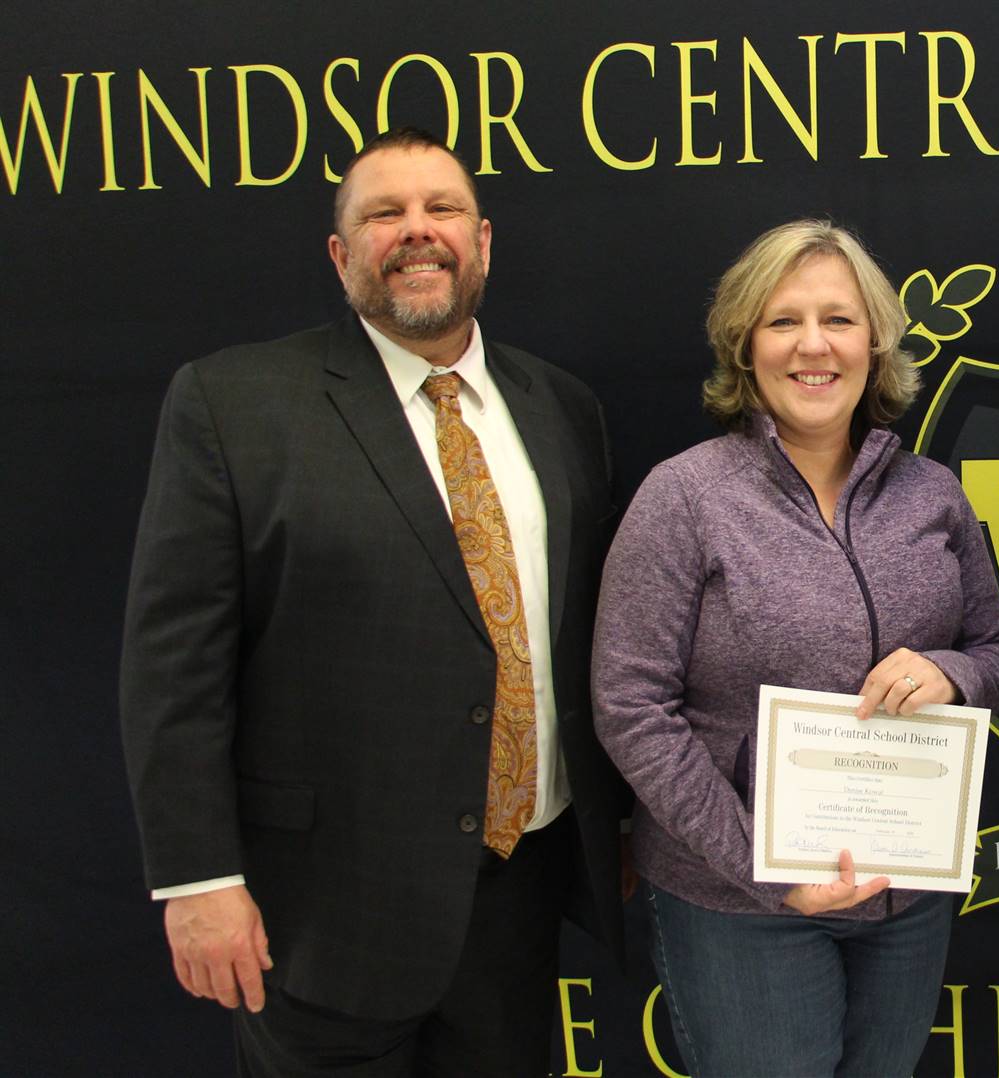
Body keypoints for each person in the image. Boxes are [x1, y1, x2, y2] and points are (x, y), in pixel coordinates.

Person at [119, 127, 629, 1075]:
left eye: (441, 209)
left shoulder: (562, 408)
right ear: (339, 251)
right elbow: (173, 667)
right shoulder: (235, 404)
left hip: (520, 900)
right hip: (321, 916)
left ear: (483, 241)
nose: (416, 231)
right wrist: (199, 878)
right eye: (383, 213)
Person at [592, 219, 999, 1077]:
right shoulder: (685, 496)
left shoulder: (934, 495)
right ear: (746, 346)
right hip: (740, 904)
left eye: (839, 320)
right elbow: (630, 707)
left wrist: (951, 671)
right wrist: (763, 865)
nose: (813, 346)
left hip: (907, 892)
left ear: (876, 344)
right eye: (784, 321)